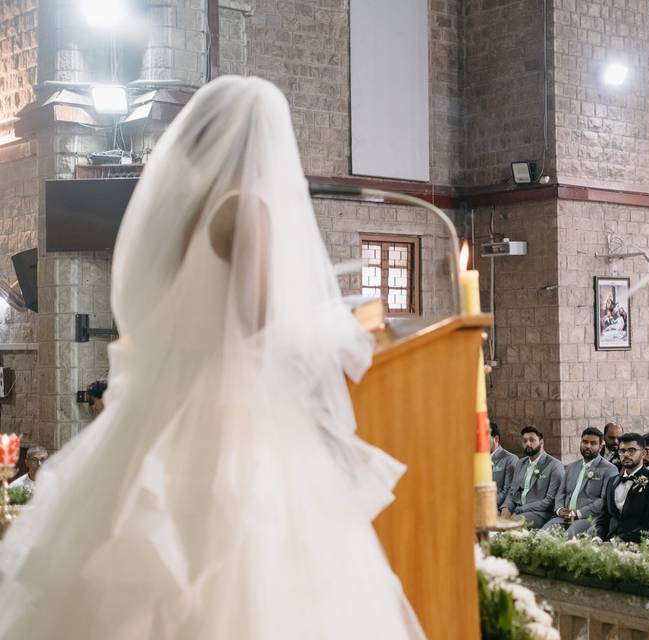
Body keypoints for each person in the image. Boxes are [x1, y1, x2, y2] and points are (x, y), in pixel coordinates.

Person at [0, 77, 426, 638]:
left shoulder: (181, 214)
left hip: (162, 410)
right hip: (234, 420)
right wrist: (346, 331)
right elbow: (262, 328)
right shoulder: (247, 208)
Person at [594, 433, 649, 542]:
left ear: (643, 453)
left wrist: (615, 542)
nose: (626, 454)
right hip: (608, 541)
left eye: (632, 450)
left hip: (636, 545)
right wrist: (598, 537)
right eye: (622, 451)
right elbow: (603, 517)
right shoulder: (613, 481)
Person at [544, 427, 617, 532]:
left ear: (600, 447)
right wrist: (560, 510)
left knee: (569, 538)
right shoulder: (571, 467)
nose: (588, 446)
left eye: (593, 443)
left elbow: (604, 501)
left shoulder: (609, 469)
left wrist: (577, 513)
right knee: (542, 535)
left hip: (587, 517)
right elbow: (561, 492)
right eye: (585, 442)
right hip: (564, 517)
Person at [501, 425, 563, 528]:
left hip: (540, 513)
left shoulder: (554, 465)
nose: (528, 444)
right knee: (497, 521)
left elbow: (550, 501)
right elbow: (512, 492)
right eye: (525, 441)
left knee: (513, 524)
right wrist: (506, 507)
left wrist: (522, 509)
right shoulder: (521, 463)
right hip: (518, 510)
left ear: (541, 442)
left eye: (532, 440)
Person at [490, 422, 519, 510]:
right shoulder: (474, 459)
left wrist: (486, 502)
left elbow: (508, 491)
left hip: (496, 507)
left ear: (496, 439)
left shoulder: (510, 459)